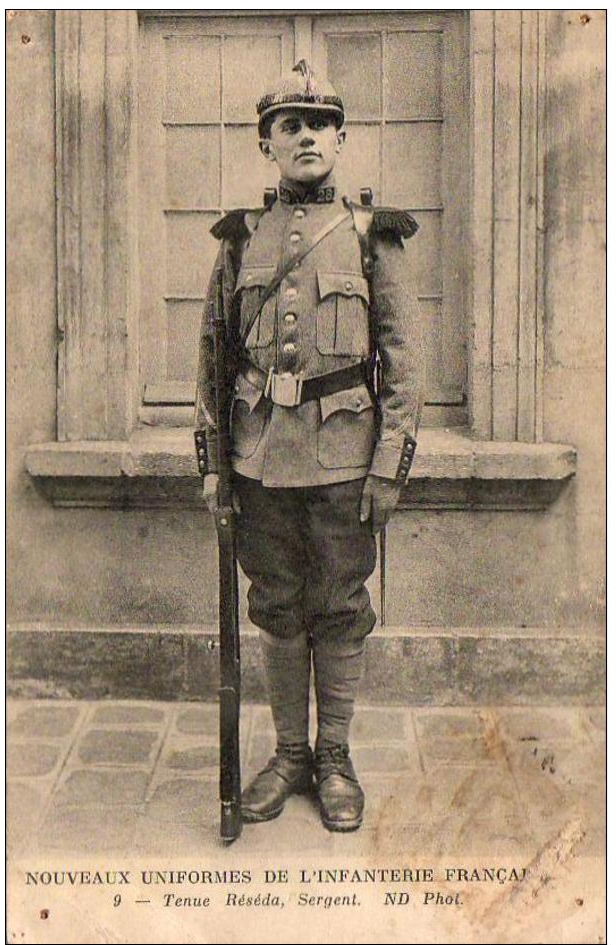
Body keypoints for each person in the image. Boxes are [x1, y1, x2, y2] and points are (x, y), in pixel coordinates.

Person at [194, 60, 424, 833]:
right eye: (288, 126)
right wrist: (212, 466)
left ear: (341, 139)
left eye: (318, 124)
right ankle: (289, 753)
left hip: (346, 459)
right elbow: (212, 358)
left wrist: (390, 466)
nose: (306, 136)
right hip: (259, 458)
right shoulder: (240, 240)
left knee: (340, 607)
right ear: (267, 145)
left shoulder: (370, 236)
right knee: (277, 607)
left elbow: (404, 362)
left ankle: (334, 758)